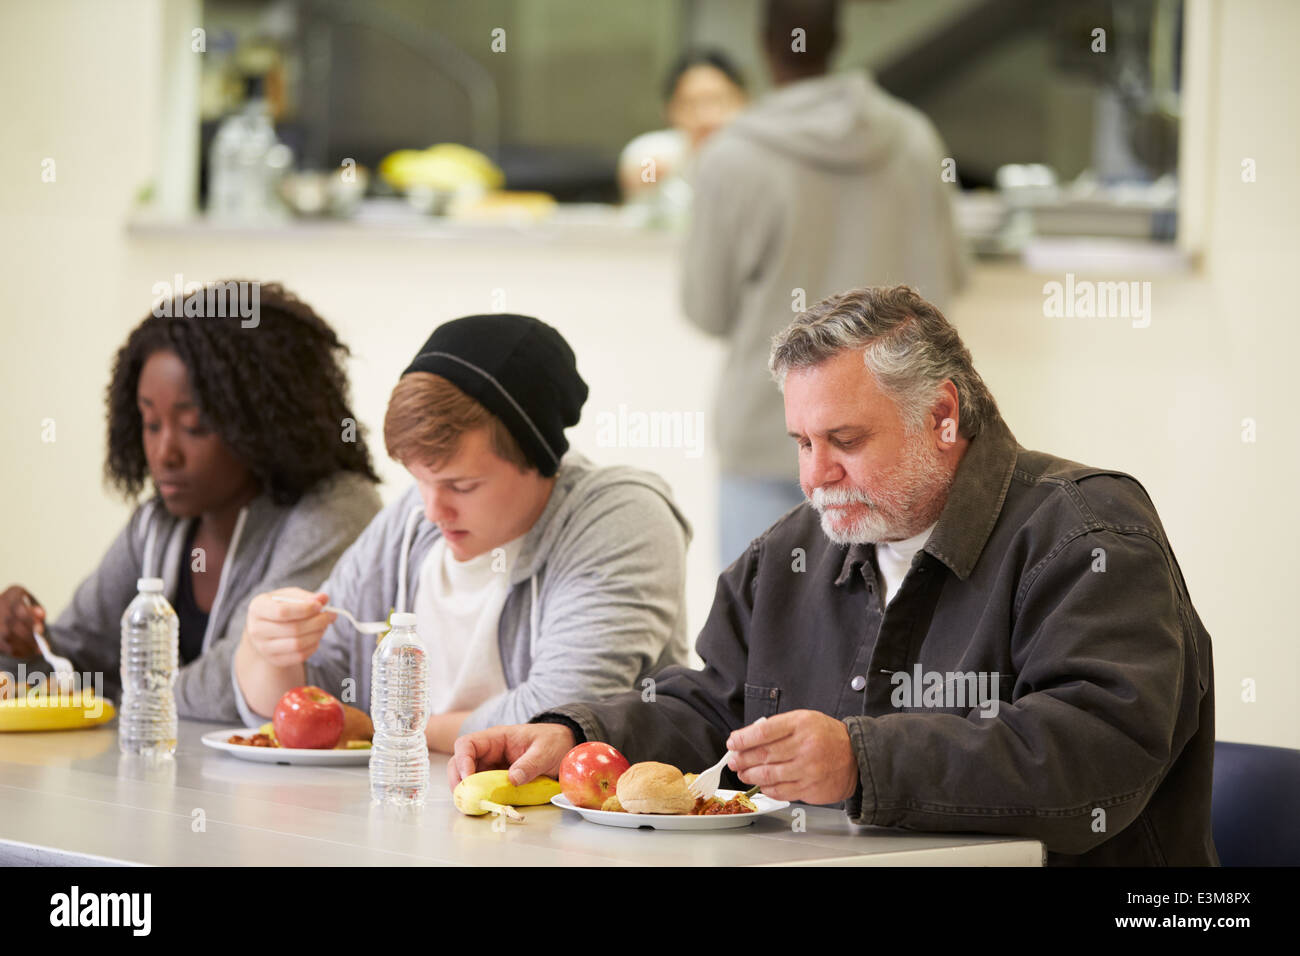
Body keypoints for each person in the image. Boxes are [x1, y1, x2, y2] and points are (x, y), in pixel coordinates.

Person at [451, 285, 1218, 867]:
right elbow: (720, 702)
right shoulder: (792, 551)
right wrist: (576, 733)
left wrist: (863, 759)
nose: (815, 476)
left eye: (845, 439)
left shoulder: (1087, 532)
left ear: (944, 417)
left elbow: (1099, 745)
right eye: (801, 441)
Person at [233, 313, 693, 752]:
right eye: (420, 480)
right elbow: (310, 701)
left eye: (462, 485)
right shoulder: (413, 521)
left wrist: (384, 730)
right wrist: (266, 648)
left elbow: (560, 716)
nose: (434, 510)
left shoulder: (623, 518)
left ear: (541, 461)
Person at [0, 282, 383, 720]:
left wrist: (122, 699)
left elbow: (234, 682)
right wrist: (26, 645)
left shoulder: (334, 512)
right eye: (149, 423)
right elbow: (76, 659)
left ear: (263, 424)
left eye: (194, 427)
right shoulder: (157, 525)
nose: (165, 454)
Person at [681, 0, 968, 567]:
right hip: (895, 439)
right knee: (895, 633)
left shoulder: (730, 157)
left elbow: (706, 310)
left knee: (759, 632)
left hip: (772, 437)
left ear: (765, 45)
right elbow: (948, 282)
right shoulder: (914, 139)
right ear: (840, 38)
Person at [618, 48, 748, 219]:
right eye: (690, 104)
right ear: (669, 110)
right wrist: (647, 177)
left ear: (744, 101)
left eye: (717, 100)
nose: (706, 117)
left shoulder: (762, 158)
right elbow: (640, 173)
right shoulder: (653, 151)